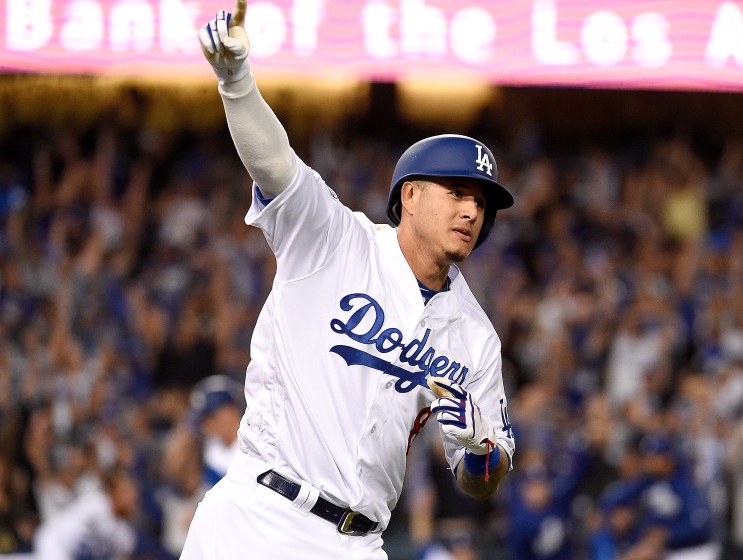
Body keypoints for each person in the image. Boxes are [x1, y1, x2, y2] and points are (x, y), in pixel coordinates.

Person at [180, 3, 516, 558]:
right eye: (456, 193)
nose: (471, 211)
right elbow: (275, 166)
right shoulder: (335, 239)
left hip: (355, 543)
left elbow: (482, 478)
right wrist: (235, 81)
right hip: (256, 515)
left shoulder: (476, 337)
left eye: (481, 202)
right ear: (409, 196)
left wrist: (481, 451)